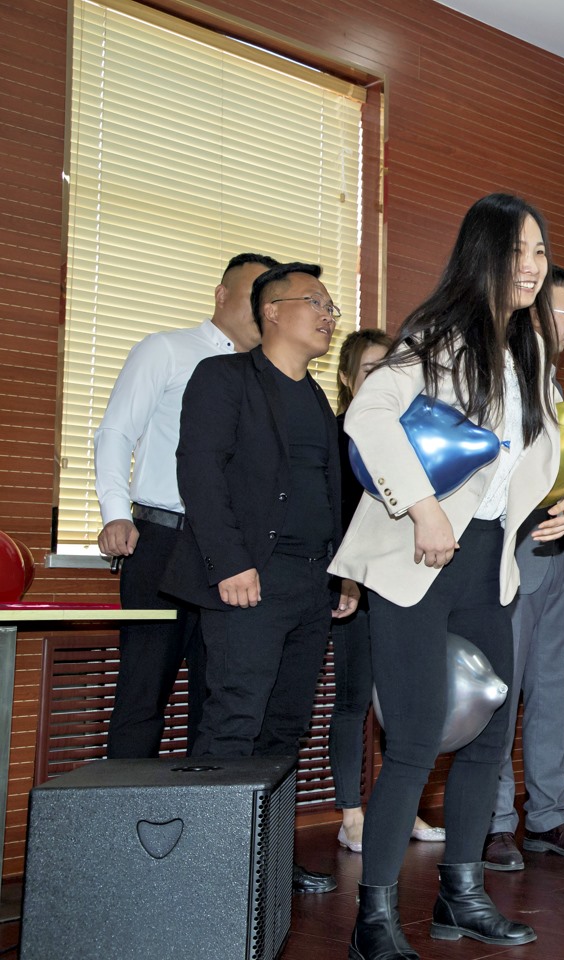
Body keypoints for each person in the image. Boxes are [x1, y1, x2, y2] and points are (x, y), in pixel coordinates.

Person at [330, 194, 564, 957]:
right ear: (484, 254)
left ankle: (462, 894)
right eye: (519, 251)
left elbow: (556, 441)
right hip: (419, 558)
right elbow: (368, 415)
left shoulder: (530, 349)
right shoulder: (439, 334)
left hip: (489, 563)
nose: (533, 266)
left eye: (540, 252)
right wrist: (422, 508)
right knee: (416, 737)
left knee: (488, 736)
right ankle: (374, 920)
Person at [161, 261, 355, 893]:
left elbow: (329, 495)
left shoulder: (318, 398)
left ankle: (266, 861)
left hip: (312, 583)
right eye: (315, 303)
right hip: (251, 579)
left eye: (331, 307)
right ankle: (208, 870)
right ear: (272, 310)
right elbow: (199, 472)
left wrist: (343, 572)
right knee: (234, 720)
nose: (328, 316)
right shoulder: (223, 377)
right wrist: (230, 562)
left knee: (286, 727)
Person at [95, 252, 278, 758]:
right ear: (221, 295)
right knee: (143, 688)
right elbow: (116, 432)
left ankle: (208, 807)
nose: (262, 309)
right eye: (253, 295)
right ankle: (123, 809)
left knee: (219, 697)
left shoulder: (268, 377)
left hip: (234, 552)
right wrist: (115, 512)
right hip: (164, 540)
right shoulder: (167, 350)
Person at [484, 265, 564, 868]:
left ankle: (548, 816)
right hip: (513, 551)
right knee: (502, 694)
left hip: (558, 556)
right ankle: (495, 821)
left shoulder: (552, 384)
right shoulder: (499, 377)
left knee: (557, 690)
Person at [329, 328, 444, 854]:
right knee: (353, 700)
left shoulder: (414, 439)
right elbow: (334, 516)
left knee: (403, 703)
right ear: (347, 379)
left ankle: (401, 807)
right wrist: (346, 575)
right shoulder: (339, 436)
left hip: (403, 583)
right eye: (370, 370)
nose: (383, 380)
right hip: (354, 586)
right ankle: (351, 815)